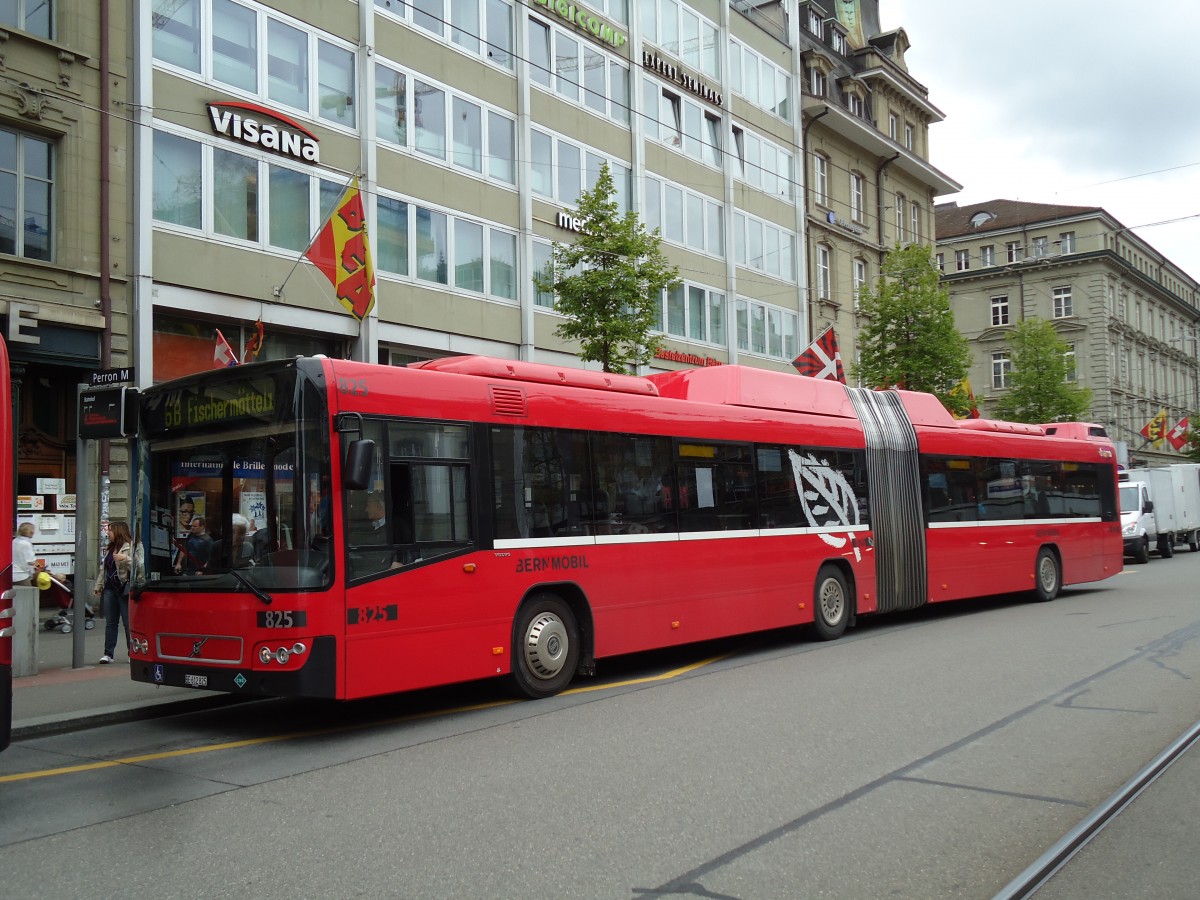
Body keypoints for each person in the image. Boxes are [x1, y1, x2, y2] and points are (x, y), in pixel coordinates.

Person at [93, 522, 134, 664]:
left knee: (128, 623)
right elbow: (104, 570)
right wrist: (98, 586)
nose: (107, 533)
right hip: (109, 589)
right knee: (111, 623)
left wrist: (126, 559)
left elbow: (139, 565)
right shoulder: (110, 548)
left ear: (118, 531)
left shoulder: (130, 546)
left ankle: (132, 652)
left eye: (110, 530)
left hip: (123, 589)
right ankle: (108, 654)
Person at [13, 522, 44, 586]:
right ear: (30, 532)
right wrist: (40, 567)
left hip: (12, 575)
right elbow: (31, 561)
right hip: (22, 576)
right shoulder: (26, 544)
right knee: (28, 595)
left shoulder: (14, 541)